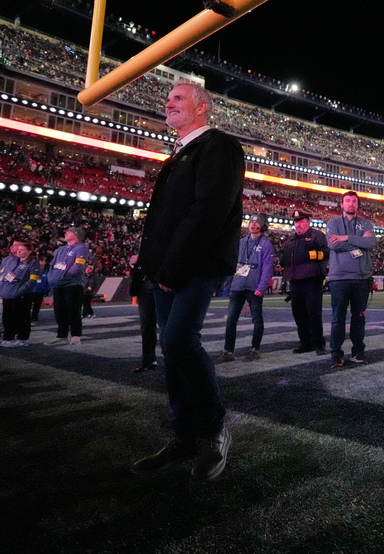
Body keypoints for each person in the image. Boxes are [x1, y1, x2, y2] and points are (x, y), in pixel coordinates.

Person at [131, 79, 244, 482]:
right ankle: (183, 434)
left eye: (178, 97)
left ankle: (214, 428)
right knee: (171, 346)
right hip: (165, 266)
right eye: (169, 98)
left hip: (193, 265)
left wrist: (173, 267)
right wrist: (149, 266)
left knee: (180, 339)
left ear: (203, 107)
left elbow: (208, 212)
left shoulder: (219, 146)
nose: (169, 102)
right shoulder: (181, 152)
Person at [326, 191, 377, 368]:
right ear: (342, 204)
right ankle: (336, 354)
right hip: (339, 278)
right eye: (347, 201)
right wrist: (359, 242)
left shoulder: (365, 223)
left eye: (354, 201)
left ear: (357, 204)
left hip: (361, 278)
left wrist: (346, 238)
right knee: (338, 318)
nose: (351, 204)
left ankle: (358, 352)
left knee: (359, 318)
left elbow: (370, 244)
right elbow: (333, 244)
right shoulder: (333, 223)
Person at [216, 214, 275, 363]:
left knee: (257, 320)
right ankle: (228, 351)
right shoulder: (241, 242)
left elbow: (268, 269)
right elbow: (232, 264)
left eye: (256, 222)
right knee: (231, 320)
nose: (252, 224)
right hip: (238, 286)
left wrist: (261, 287)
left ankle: (255, 349)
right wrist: (229, 286)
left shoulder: (266, 245)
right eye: (251, 222)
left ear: (262, 226)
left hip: (254, 287)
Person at [279, 210, 329, 355]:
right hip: (295, 281)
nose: (298, 224)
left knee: (313, 314)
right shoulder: (291, 240)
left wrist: (313, 255)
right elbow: (284, 259)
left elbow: (327, 252)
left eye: (301, 221)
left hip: (312, 280)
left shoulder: (318, 236)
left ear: (308, 222)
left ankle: (319, 344)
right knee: (299, 314)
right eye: (296, 222)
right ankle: (305, 343)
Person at [45, 226, 90, 346]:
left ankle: (76, 335)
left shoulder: (81, 248)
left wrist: (63, 276)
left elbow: (77, 266)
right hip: (59, 284)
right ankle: (62, 335)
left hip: (73, 284)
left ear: (76, 235)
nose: (66, 233)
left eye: (69, 232)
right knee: (59, 311)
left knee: (73, 310)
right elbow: (52, 265)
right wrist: (53, 277)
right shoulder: (60, 249)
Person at [0, 238, 41, 347]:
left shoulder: (33, 263)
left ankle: (22, 339)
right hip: (8, 295)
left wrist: (19, 291)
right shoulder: (13, 261)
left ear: (29, 251)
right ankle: (8, 338)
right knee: (7, 317)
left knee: (22, 317)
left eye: (22, 249)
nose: (18, 251)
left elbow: (32, 280)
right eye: (18, 249)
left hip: (23, 295)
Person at [129, 253, 158, 374]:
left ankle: (173, 361)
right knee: (146, 325)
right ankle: (148, 360)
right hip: (145, 284)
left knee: (168, 324)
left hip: (163, 281)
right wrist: (135, 264)